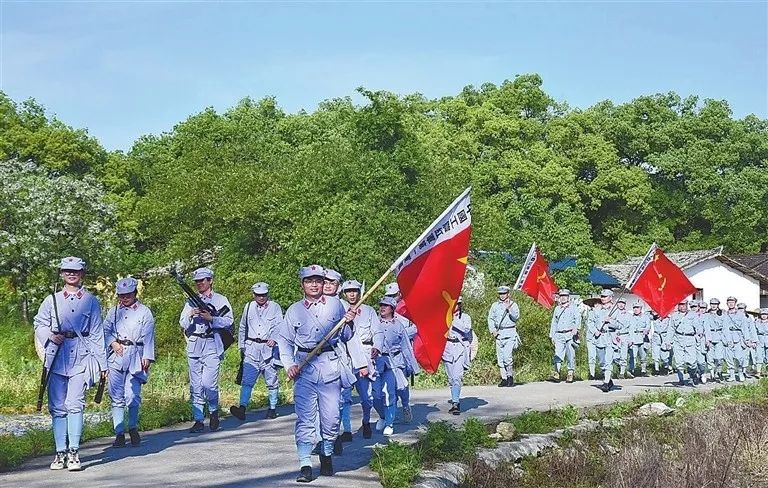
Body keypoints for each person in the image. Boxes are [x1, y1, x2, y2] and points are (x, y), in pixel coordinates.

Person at [275, 265, 363, 482]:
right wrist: (288, 365)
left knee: (331, 418)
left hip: (329, 367)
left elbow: (346, 335)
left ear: (324, 284)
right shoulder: (294, 310)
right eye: (309, 281)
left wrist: (349, 322)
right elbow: (284, 341)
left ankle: (327, 451)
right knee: (305, 419)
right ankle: (305, 463)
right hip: (304, 368)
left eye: (318, 280)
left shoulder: (335, 305)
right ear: (302, 284)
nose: (314, 284)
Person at [33, 257, 107, 471]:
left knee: (75, 404)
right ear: (62, 274)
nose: (71, 274)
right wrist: (49, 335)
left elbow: (96, 333)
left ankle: (74, 451)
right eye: (67, 271)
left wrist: (103, 366)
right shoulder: (51, 300)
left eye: (75, 271)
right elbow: (39, 323)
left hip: (81, 358)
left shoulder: (91, 300)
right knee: (57, 407)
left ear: (82, 273)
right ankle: (59, 452)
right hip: (56, 357)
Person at [179, 267, 234, 433]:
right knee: (196, 385)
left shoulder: (220, 299)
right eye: (197, 282)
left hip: (212, 343)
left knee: (209, 384)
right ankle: (198, 419)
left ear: (210, 281)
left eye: (202, 281)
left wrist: (212, 319)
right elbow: (182, 323)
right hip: (195, 344)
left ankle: (213, 411)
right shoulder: (190, 302)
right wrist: (190, 314)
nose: (199, 284)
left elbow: (229, 321)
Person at [104, 277, 155, 448]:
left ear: (135, 293)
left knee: (132, 395)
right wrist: (112, 342)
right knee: (116, 396)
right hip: (116, 355)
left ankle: (133, 427)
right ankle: (119, 432)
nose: (124, 298)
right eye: (121, 295)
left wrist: (147, 356)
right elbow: (105, 330)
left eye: (128, 294)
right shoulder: (114, 312)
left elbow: (149, 336)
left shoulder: (144, 312)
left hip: (136, 354)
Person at [230, 282, 283, 422]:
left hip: (268, 349)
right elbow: (242, 327)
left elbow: (280, 325)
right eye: (258, 295)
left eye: (264, 295)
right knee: (247, 380)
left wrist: (275, 339)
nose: (261, 298)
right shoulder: (248, 307)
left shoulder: (275, 307)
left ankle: (272, 408)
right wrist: (242, 346)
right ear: (254, 295)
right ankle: (242, 407)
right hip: (251, 348)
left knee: (271, 379)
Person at [372, 296, 420, 434]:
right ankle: (382, 416)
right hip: (377, 362)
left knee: (395, 391)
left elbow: (406, 347)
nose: (382, 308)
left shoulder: (398, 325)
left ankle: (390, 422)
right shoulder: (374, 322)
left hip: (395, 361)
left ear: (392, 309)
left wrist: (413, 366)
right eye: (381, 305)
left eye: (386, 306)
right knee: (375, 395)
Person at [339, 279, 378, 439]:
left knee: (366, 396)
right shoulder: (339, 308)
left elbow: (377, 332)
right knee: (344, 396)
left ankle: (366, 421)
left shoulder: (368, 311)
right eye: (348, 291)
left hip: (365, 354)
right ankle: (346, 430)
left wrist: (377, 347)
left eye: (354, 290)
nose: (352, 294)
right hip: (346, 356)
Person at [384, 282, 415, 422]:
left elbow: (415, 330)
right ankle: (393, 411)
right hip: (385, 357)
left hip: (399, 356)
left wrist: (400, 333)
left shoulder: (406, 313)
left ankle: (406, 405)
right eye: (389, 296)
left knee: (402, 386)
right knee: (390, 387)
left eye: (394, 296)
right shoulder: (382, 314)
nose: (392, 298)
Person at [443, 296, 473, 413]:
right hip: (448, 348)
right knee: (451, 378)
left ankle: (456, 403)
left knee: (457, 377)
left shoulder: (465, 318)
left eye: (456, 304)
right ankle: (454, 399)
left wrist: (453, 320)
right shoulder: (444, 316)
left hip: (460, 347)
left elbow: (466, 329)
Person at [487, 285, 520, 387]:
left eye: (504, 293)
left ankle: (510, 377)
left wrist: (509, 309)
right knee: (500, 358)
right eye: (500, 294)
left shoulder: (513, 305)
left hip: (510, 333)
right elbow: (490, 318)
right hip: (499, 334)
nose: (502, 295)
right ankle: (504, 378)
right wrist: (493, 330)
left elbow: (516, 317)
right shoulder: (495, 305)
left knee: (507, 357)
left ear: (508, 294)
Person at [549, 289, 579, 383]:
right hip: (559, 334)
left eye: (565, 296)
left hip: (569, 334)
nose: (563, 298)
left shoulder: (573, 308)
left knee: (570, 354)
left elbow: (578, 318)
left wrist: (576, 328)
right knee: (557, 354)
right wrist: (552, 335)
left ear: (568, 297)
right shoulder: (557, 309)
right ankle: (557, 373)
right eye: (561, 296)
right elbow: (554, 322)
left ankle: (570, 372)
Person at [670, 301, 700, 386]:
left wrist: (699, 333)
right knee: (679, 362)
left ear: (687, 305)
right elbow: (671, 329)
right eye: (680, 305)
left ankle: (693, 375)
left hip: (690, 339)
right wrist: (668, 341)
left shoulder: (692, 315)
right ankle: (681, 380)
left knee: (692, 362)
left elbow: (698, 326)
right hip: (678, 339)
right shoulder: (674, 316)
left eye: (683, 305)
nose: (682, 307)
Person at [723, 296, 748, 382]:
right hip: (728, 336)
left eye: (732, 302)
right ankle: (732, 375)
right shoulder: (724, 314)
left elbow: (745, 328)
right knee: (729, 358)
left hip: (738, 337)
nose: (731, 303)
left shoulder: (740, 314)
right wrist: (725, 339)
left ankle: (740, 373)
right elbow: (723, 328)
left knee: (738, 357)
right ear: (727, 304)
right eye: (729, 302)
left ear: (735, 303)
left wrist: (747, 339)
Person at [703, 298, 726, 382]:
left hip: (719, 337)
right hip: (710, 337)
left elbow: (725, 327)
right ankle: (712, 374)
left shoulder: (722, 315)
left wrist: (727, 339)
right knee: (710, 358)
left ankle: (719, 371)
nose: (713, 305)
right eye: (712, 304)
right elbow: (706, 327)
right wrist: (707, 339)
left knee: (719, 357)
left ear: (718, 305)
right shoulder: (706, 315)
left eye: (715, 304)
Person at [627, 302, 650, 376]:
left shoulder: (645, 317)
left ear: (641, 308)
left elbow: (648, 326)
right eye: (634, 308)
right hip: (633, 337)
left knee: (643, 355)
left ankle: (643, 370)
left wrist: (646, 330)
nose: (636, 309)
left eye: (637, 308)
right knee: (632, 355)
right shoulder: (630, 317)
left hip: (642, 337)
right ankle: (631, 370)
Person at [651, 311, 673, 375]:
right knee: (655, 354)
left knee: (664, 356)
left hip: (665, 337)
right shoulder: (654, 318)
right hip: (656, 337)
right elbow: (647, 315)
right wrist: (655, 314)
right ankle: (656, 369)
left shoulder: (668, 319)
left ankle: (667, 367)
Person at [754, 309, 768, 377]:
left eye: (765, 314)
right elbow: (754, 332)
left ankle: (765, 371)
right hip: (759, 340)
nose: (764, 316)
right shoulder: (757, 322)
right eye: (762, 314)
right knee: (759, 356)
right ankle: (758, 372)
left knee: (767, 357)